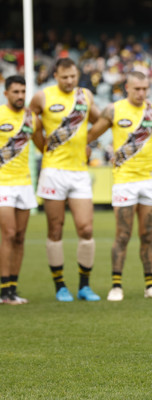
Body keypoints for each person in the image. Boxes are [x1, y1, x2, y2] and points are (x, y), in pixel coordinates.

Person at [88, 71, 152, 301]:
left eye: (145, 89)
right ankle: (116, 285)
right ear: (127, 87)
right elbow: (93, 133)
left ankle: (150, 285)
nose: (141, 93)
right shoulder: (114, 110)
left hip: (150, 180)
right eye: (137, 89)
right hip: (124, 181)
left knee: (148, 236)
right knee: (123, 235)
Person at [29, 58, 101, 302]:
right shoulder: (42, 97)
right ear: (56, 76)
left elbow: (100, 120)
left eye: (72, 76)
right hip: (53, 172)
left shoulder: (85, 96)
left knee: (86, 228)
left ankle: (84, 285)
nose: (69, 81)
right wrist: (43, 148)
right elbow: (30, 124)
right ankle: (60, 285)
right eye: (64, 77)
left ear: (77, 74)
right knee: (55, 229)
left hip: (79, 171)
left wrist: (89, 141)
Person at [0, 76, 44, 304]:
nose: (20, 96)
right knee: (7, 234)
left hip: (25, 183)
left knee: (19, 237)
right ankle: (3, 289)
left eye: (23, 91)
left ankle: (12, 288)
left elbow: (42, 145)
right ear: (6, 93)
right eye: (15, 91)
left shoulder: (31, 118)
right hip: (2, 182)